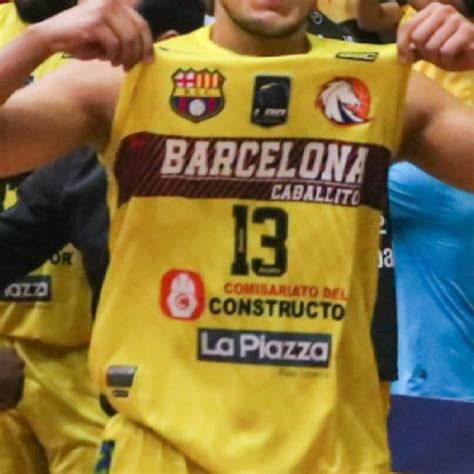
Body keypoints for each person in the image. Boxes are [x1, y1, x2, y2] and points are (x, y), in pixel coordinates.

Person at [0, 1, 473, 472]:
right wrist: (36, 42)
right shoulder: (127, 80)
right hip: (163, 456)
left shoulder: (383, 84)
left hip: (333, 457)